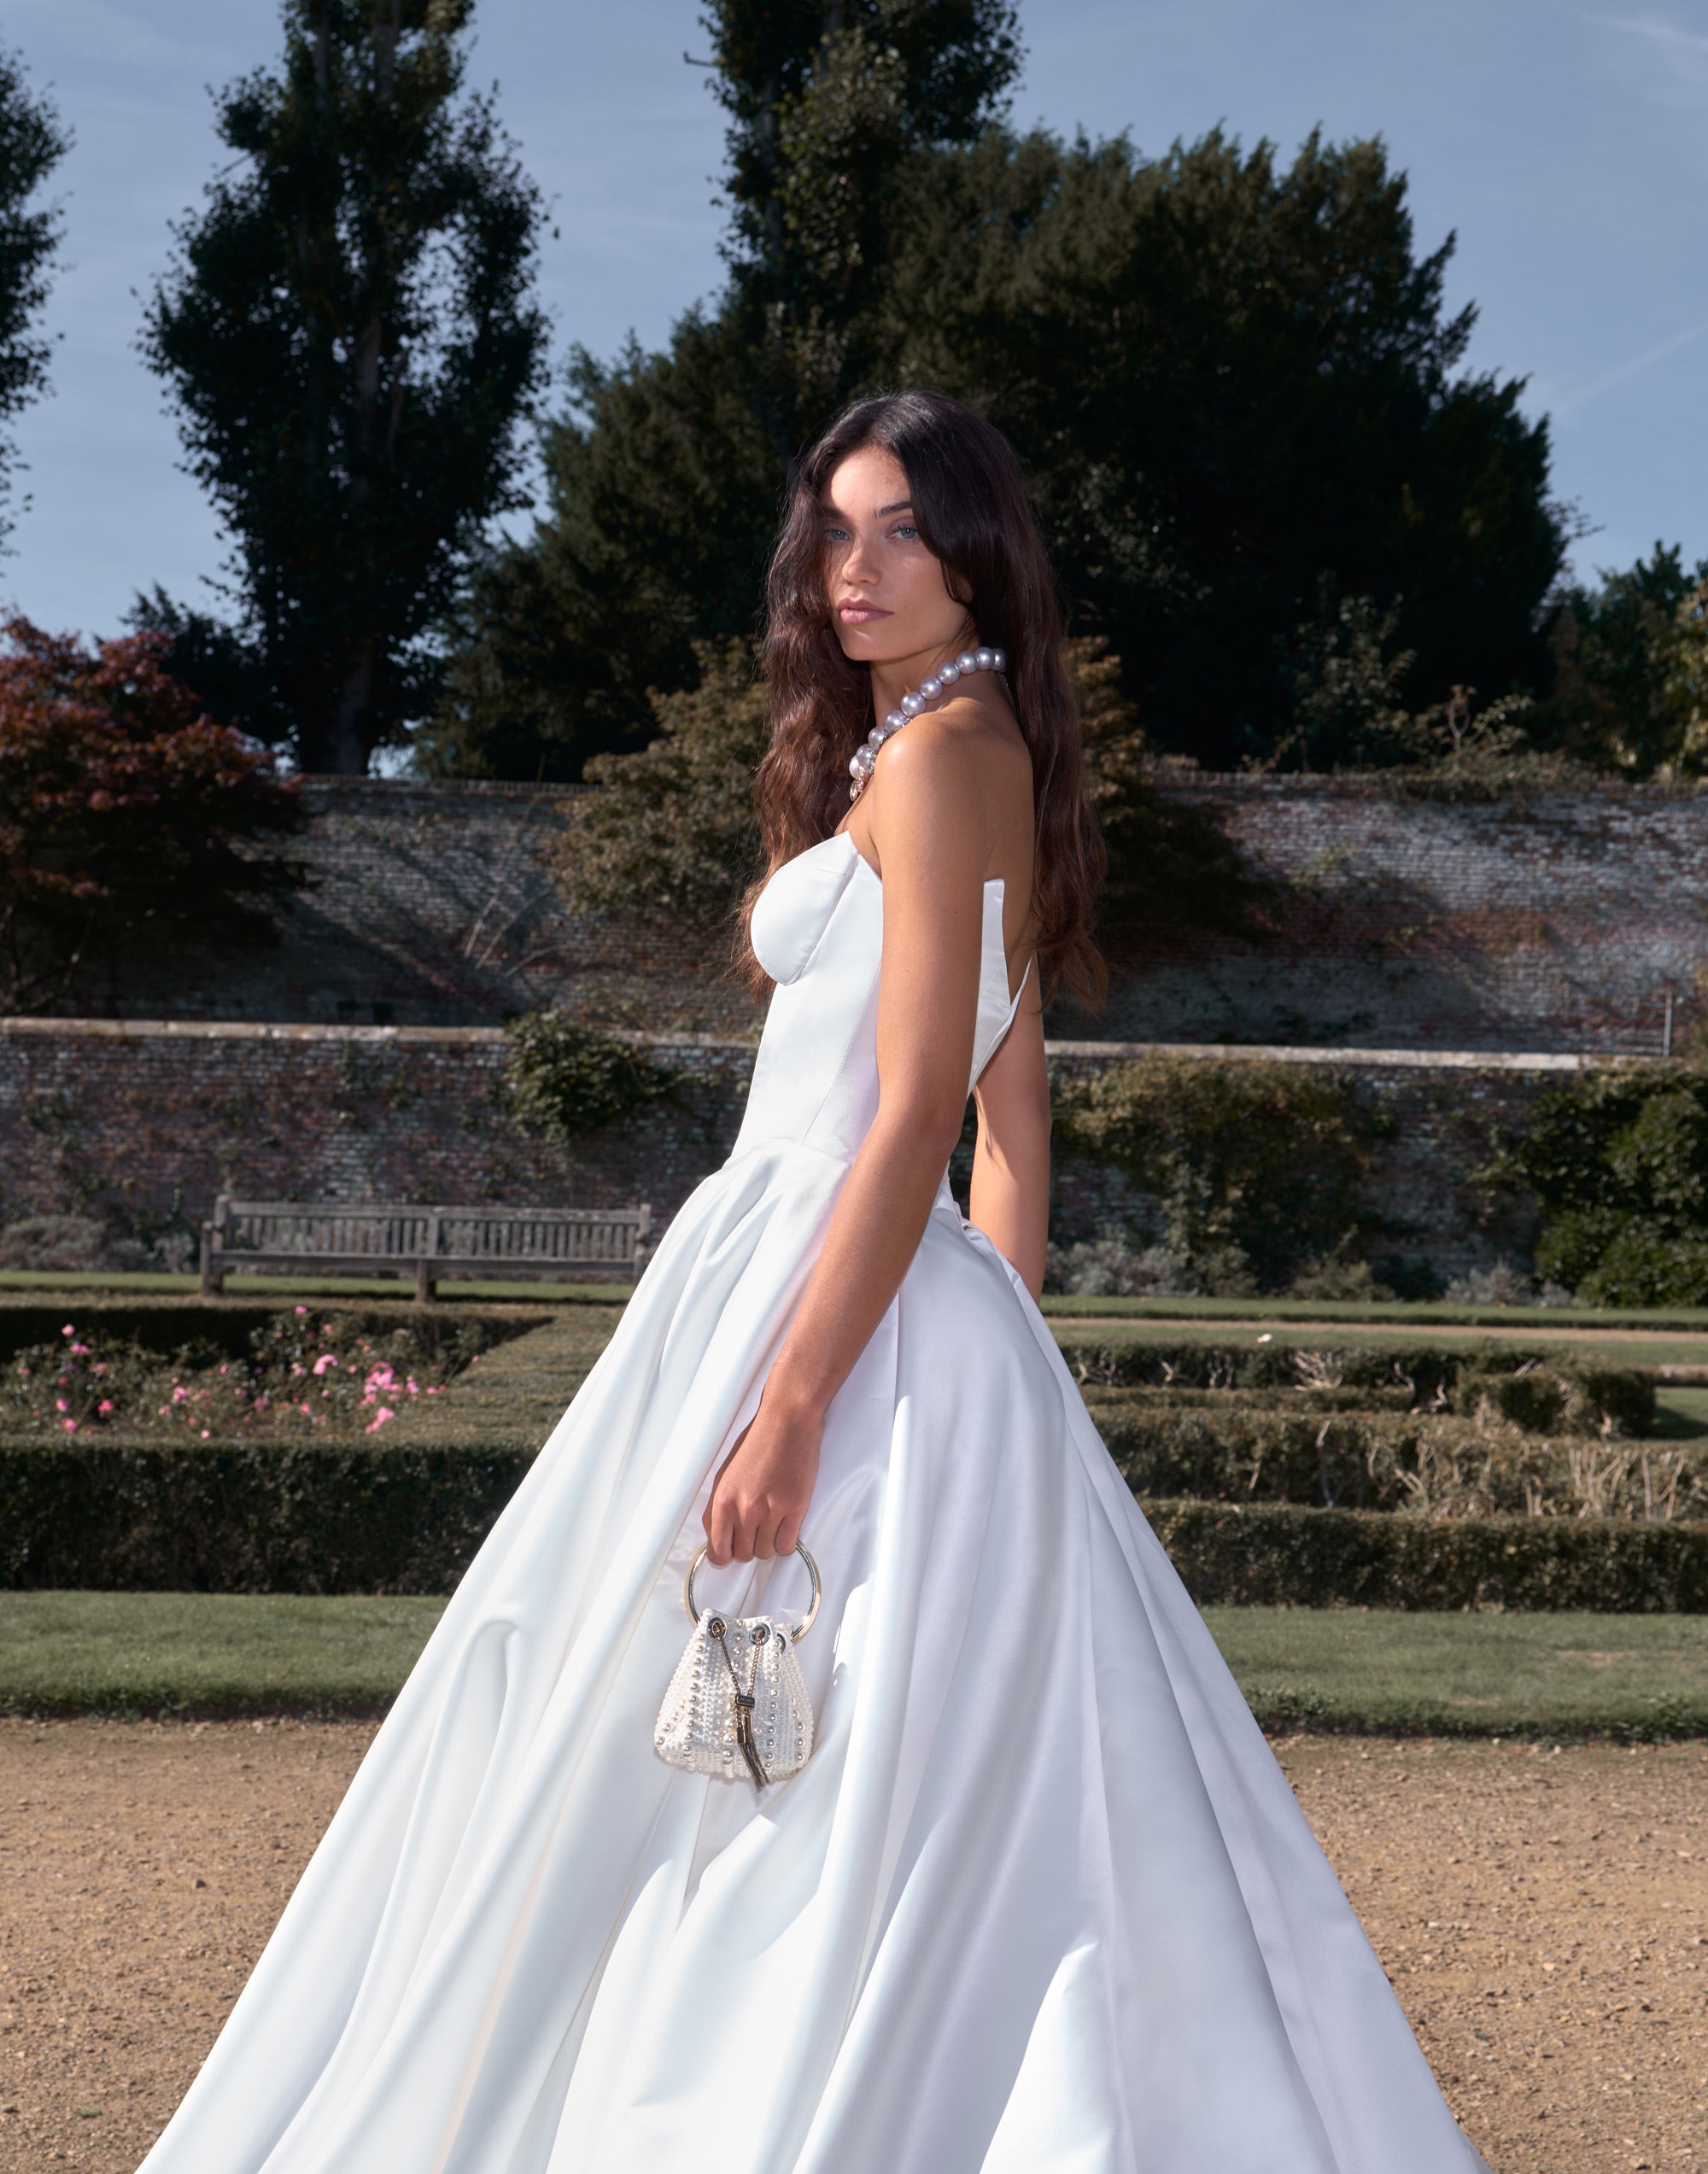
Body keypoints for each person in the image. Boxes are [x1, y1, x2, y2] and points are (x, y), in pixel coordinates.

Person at [139, 390, 1486, 2173]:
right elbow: (1018, 1115)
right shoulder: (933, 745)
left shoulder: (943, 758)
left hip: (813, 1290)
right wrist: (984, 1376)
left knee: (709, 1745)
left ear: (977, 549)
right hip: (854, 1298)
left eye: (900, 529)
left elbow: (926, 1102)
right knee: (785, 1746)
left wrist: (802, 1405)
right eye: (835, 530)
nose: (855, 567)